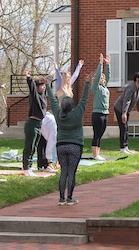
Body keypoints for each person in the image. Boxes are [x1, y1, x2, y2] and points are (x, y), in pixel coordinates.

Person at [48, 70, 91, 205]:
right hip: (75, 146)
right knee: (71, 173)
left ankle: (61, 198)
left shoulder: (58, 114)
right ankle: (70, 198)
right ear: (72, 105)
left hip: (61, 146)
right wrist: (87, 83)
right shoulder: (77, 113)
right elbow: (84, 99)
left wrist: (48, 85)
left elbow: (52, 100)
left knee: (63, 172)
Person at [21, 66, 48, 174]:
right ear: (37, 87)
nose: (44, 87)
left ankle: (30, 166)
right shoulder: (35, 96)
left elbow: (48, 82)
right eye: (42, 86)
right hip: (32, 123)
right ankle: (26, 167)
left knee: (35, 146)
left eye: (44, 86)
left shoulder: (43, 96)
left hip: (39, 124)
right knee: (29, 146)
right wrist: (29, 78)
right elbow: (32, 88)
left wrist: (51, 75)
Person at [113, 71, 139, 154]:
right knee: (123, 127)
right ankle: (122, 148)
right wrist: (124, 113)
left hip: (126, 110)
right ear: (137, 79)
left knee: (126, 128)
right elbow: (126, 100)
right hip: (120, 108)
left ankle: (126, 147)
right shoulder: (131, 87)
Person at [91, 53, 111, 160]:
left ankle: (98, 153)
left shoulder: (105, 88)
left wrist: (108, 65)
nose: (103, 79)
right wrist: (100, 64)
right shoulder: (96, 88)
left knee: (101, 134)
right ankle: (95, 154)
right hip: (97, 114)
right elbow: (98, 74)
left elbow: (108, 76)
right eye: (101, 78)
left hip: (105, 113)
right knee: (96, 134)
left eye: (103, 79)